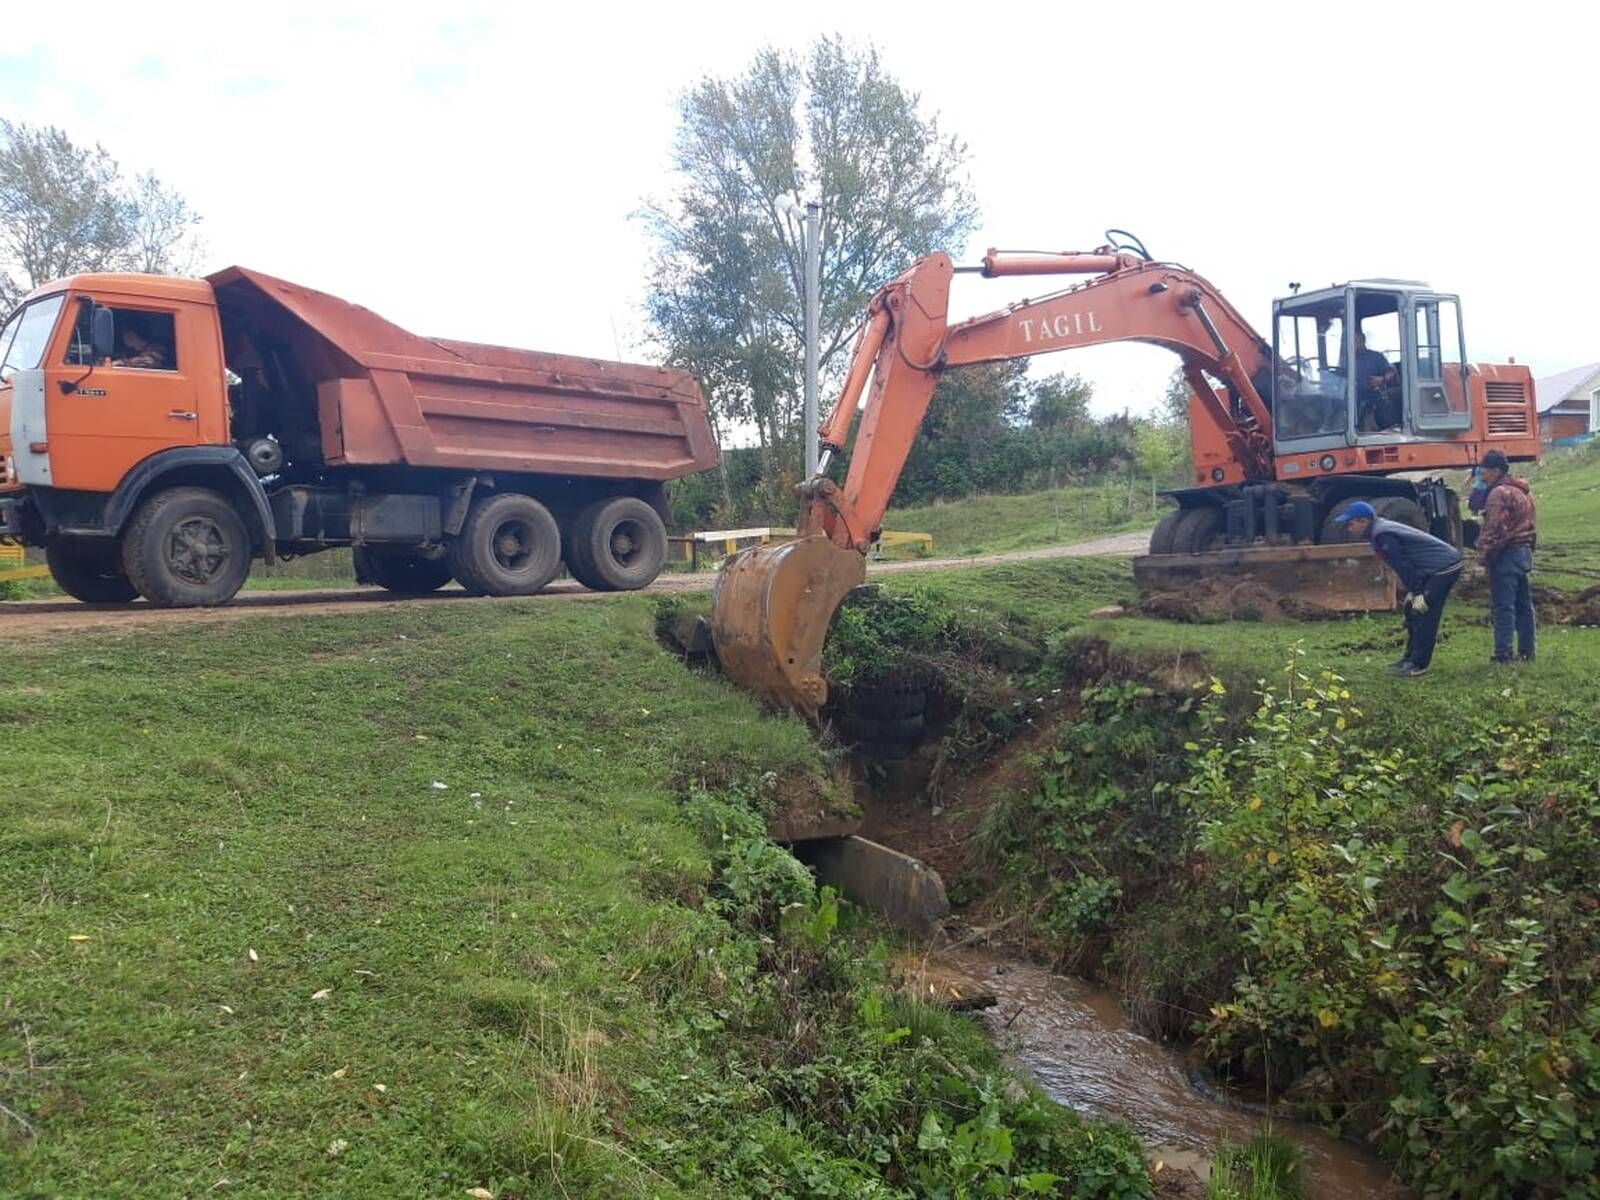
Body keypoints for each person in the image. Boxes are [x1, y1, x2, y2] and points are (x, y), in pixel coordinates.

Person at [1335, 500, 1463, 677]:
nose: (1349, 528)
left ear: (1363, 521)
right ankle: (1409, 658)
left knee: (1425, 612)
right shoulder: (1377, 532)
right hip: (1429, 569)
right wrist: (1414, 590)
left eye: (1351, 523)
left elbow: (1403, 565)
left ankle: (1419, 664)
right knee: (1411, 611)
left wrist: (1418, 592)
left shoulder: (1383, 534)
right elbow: (1405, 565)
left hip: (1444, 567)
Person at [1474, 448, 1537, 664]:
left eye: (1484, 471)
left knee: (1503, 606)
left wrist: (1483, 557)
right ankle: (1528, 652)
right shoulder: (1523, 491)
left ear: (1495, 471)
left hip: (1506, 554)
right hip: (1524, 552)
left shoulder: (1498, 493)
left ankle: (1503, 654)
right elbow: (1532, 524)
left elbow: (1494, 529)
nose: (1481, 475)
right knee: (1524, 605)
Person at [1353, 331, 1398, 431]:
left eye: (1357, 340)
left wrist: (1382, 379)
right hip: (1352, 395)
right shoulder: (1348, 360)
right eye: (1353, 341)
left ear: (1363, 340)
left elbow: (1391, 372)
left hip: (1373, 394)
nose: (1355, 343)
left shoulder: (1376, 357)